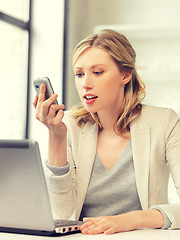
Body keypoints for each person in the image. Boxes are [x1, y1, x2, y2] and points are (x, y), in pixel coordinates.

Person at [33, 29, 180, 235]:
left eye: (98, 72)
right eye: (79, 74)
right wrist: (56, 136)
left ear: (126, 75)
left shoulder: (164, 122)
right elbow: (61, 214)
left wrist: (131, 219)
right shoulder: (69, 125)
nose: (85, 84)